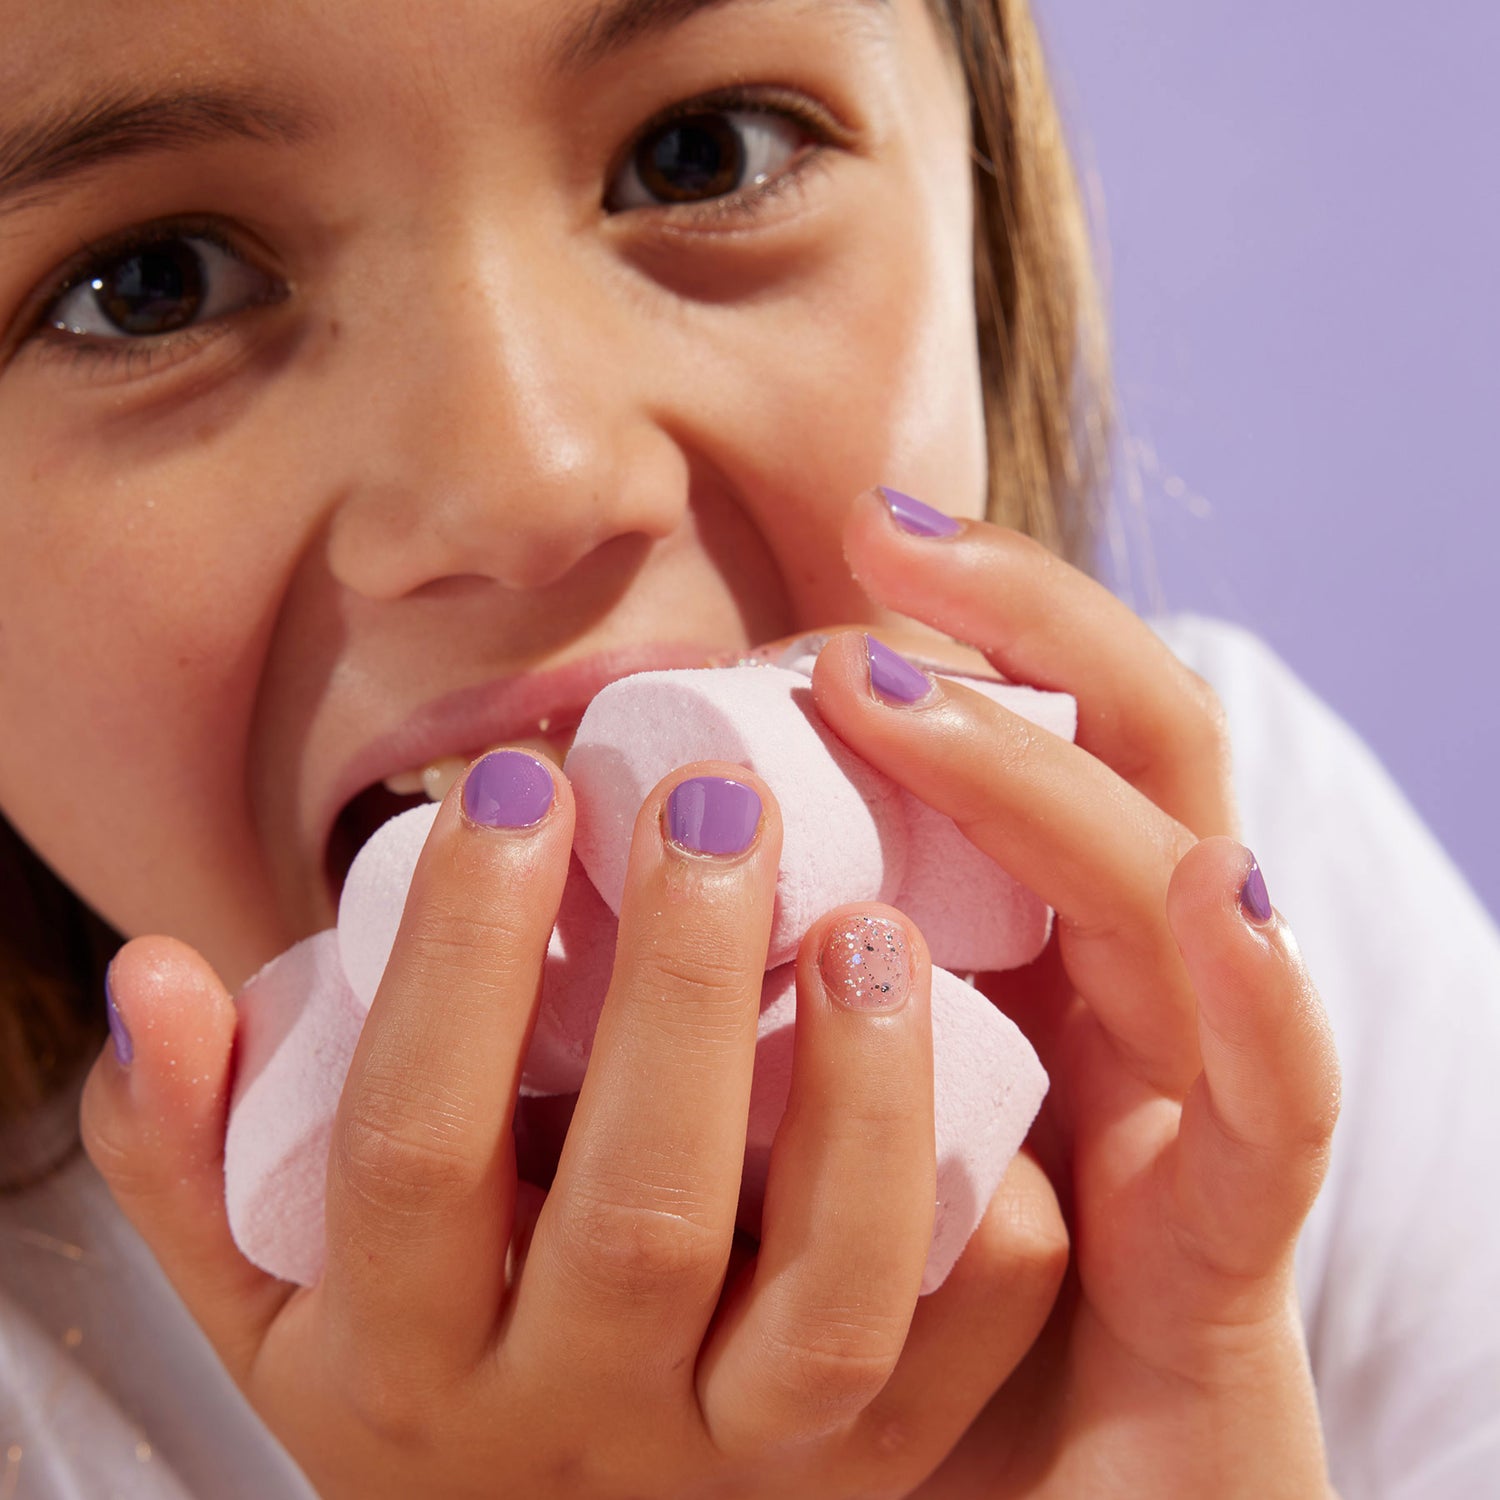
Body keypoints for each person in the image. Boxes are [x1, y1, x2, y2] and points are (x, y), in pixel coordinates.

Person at [0, 0, 1496, 1495]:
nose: (529, 476)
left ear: (985, 206)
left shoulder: (1264, 935)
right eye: (147, 289)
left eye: (699, 155)